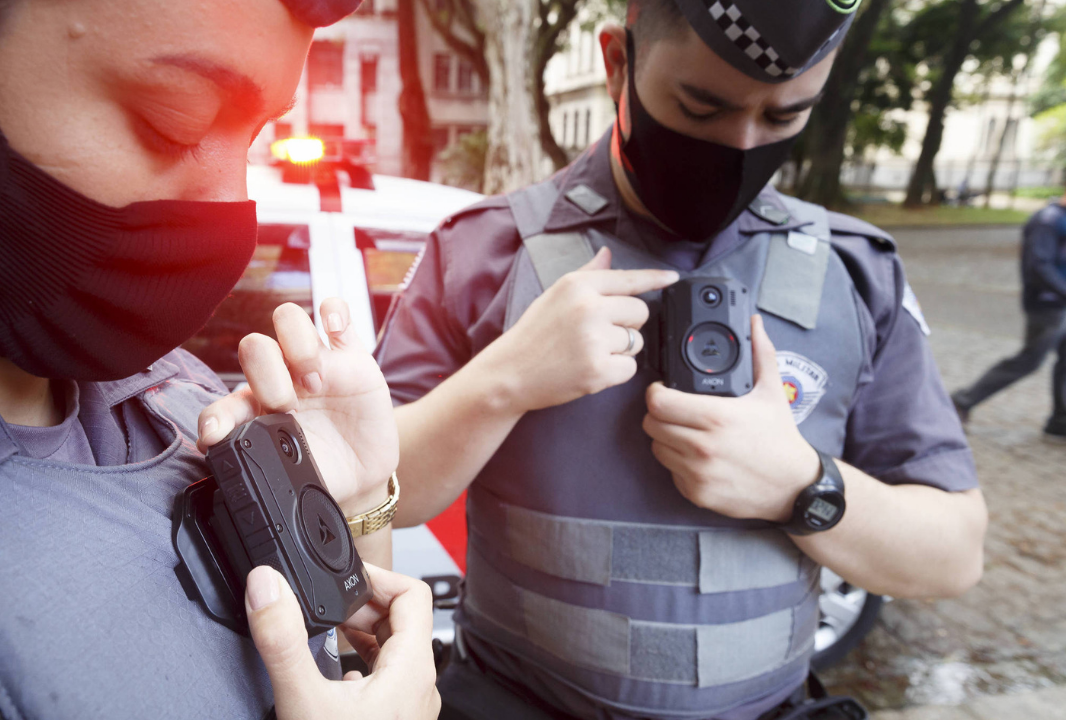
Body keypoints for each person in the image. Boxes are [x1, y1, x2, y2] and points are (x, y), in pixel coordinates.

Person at [0, 1, 439, 719]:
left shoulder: (182, 396)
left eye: (250, 141)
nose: (232, 208)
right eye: (173, 120)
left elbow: (342, 665)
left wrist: (354, 506)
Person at [375, 0, 989, 718]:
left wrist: (802, 485)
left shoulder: (855, 276)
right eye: (701, 106)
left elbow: (954, 555)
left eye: (784, 118)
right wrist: (503, 383)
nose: (741, 144)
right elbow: (375, 495)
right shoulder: (481, 254)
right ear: (616, 64)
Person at [951, 197, 1066, 438]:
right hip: (1047, 304)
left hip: (1058, 302)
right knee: (1029, 359)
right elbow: (1039, 266)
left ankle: (1060, 420)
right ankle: (961, 401)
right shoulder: (1048, 220)